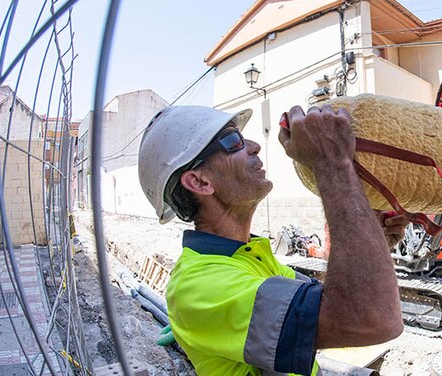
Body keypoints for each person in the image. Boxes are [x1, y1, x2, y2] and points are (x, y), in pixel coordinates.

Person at [138, 104, 406, 375]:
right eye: (232, 141)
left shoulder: (249, 256)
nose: (254, 146)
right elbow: (372, 318)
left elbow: (334, 302)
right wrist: (332, 162)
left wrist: (373, 239)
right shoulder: (199, 286)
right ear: (199, 182)